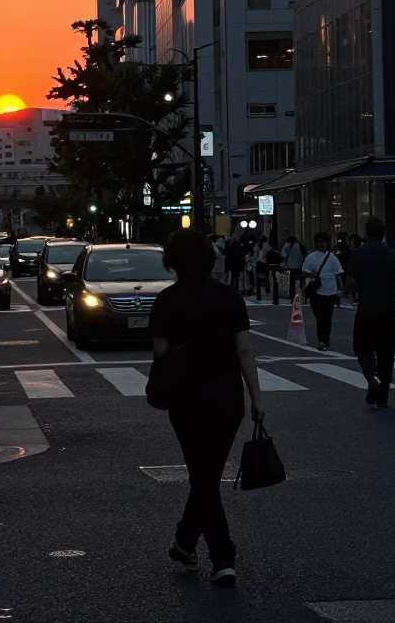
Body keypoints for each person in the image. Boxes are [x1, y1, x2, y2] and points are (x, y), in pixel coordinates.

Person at [149, 229, 264, 589]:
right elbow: (244, 349)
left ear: (172, 262)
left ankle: (223, 557)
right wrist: (257, 398)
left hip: (186, 399)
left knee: (203, 477)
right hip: (228, 398)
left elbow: (160, 354)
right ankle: (185, 542)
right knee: (207, 476)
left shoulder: (166, 300)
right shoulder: (229, 297)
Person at [347, 216, 395, 408]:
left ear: (367, 233)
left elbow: (350, 282)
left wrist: (348, 289)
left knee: (362, 346)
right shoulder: (393, 255)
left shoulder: (359, 254)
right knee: (387, 352)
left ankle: (371, 375)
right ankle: (383, 395)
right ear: (383, 233)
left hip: (367, 309)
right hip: (389, 312)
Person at [301, 232, 343, 351]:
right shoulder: (311, 257)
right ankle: (321, 340)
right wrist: (314, 275)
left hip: (331, 290)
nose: (321, 244)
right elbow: (304, 272)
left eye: (324, 241)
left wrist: (341, 289)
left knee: (327, 317)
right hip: (317, 290)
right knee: (320, 317)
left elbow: (338, 275)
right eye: (319, 241)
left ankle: (326, 340)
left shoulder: (333, 258)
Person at [281, 235, 305, 300]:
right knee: (300, 280)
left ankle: (292, 297)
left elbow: (283, 254)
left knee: (291, 282)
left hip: (290, 266)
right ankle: (301, 294)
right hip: (300, 265)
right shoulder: (300, 245)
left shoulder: (288, 245)